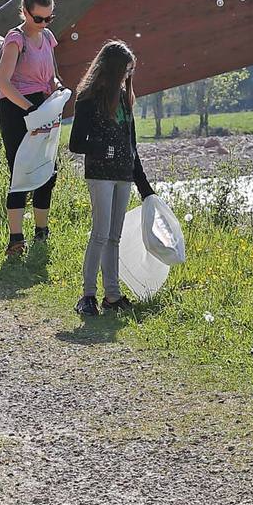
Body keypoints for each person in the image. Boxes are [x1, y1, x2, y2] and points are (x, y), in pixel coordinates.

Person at [67, 40, 156, 317]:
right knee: (100, 234)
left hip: (123, 175)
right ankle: (87, 295)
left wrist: (145, 187)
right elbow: (75, 143)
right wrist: (102, 148)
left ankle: (113, 296)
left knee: (114, 237)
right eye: (126, 70)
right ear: (114, 68)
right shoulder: (88, 99)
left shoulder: (125, 100)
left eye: (132, 71)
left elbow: (132, 146)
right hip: (100, 175)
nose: (129, 75)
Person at [0, 0, 61, 257]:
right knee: (21, 173)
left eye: (49, 18)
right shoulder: (15, 39)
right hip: (17, 109)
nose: (44, 23)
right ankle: (15, 239)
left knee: (49, 171)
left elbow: (51, 73)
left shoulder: (46, 36)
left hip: (43, 107)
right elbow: (3, 82)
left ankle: (41, 234)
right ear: (24, 12)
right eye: (38, 18)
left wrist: (57, 86)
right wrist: (28, 107)